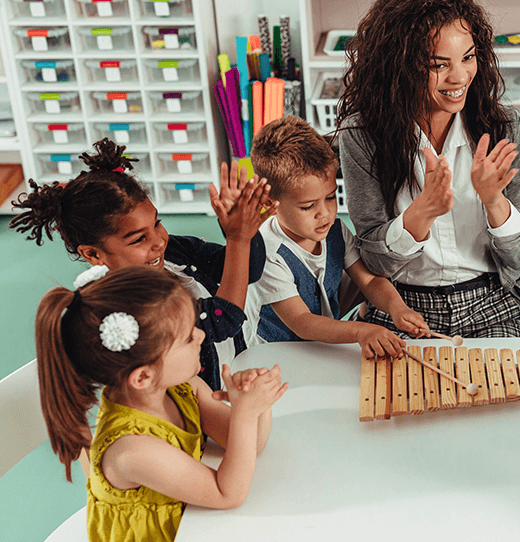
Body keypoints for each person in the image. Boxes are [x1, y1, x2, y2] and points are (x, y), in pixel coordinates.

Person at [335, 0, 520, 339]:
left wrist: (494, 202)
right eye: (437, 64)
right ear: (399, 66)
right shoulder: (362, 135)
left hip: (491, 301)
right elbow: (376, 262)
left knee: (507, 396)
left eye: (468, 57)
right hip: (401, 305)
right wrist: (422, 212)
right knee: (399, 396)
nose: (460, 76)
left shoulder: (504, 126)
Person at [35, 266, 288, 541]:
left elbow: (251, 446)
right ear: (143, 376)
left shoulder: (183, 387)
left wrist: (253, 401)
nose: (202, 336)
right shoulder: (132, 450)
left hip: (198, 525)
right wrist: (245, 415)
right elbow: (228, 493)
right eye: (189, 337)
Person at [10, 138, 274, 390]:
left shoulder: (174, 251)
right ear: (92, 254)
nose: (159, 241)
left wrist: (244, 229)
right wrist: (239, 238)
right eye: (139, 239)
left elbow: (246, 270)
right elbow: (222, 319)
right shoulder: (123, 306)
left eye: (157, 223)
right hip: (192, 419)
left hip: (233, 383)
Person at [247, 116, 429, 358]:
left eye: (331, 197)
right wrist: (360, 332)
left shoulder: (335, 231)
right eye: (308, 206)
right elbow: (302, 321)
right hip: (275, 354)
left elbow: (369, 281)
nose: (325, 214)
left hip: (317, 348)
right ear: (270, 202)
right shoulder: (267, 251)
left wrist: (397, 308)